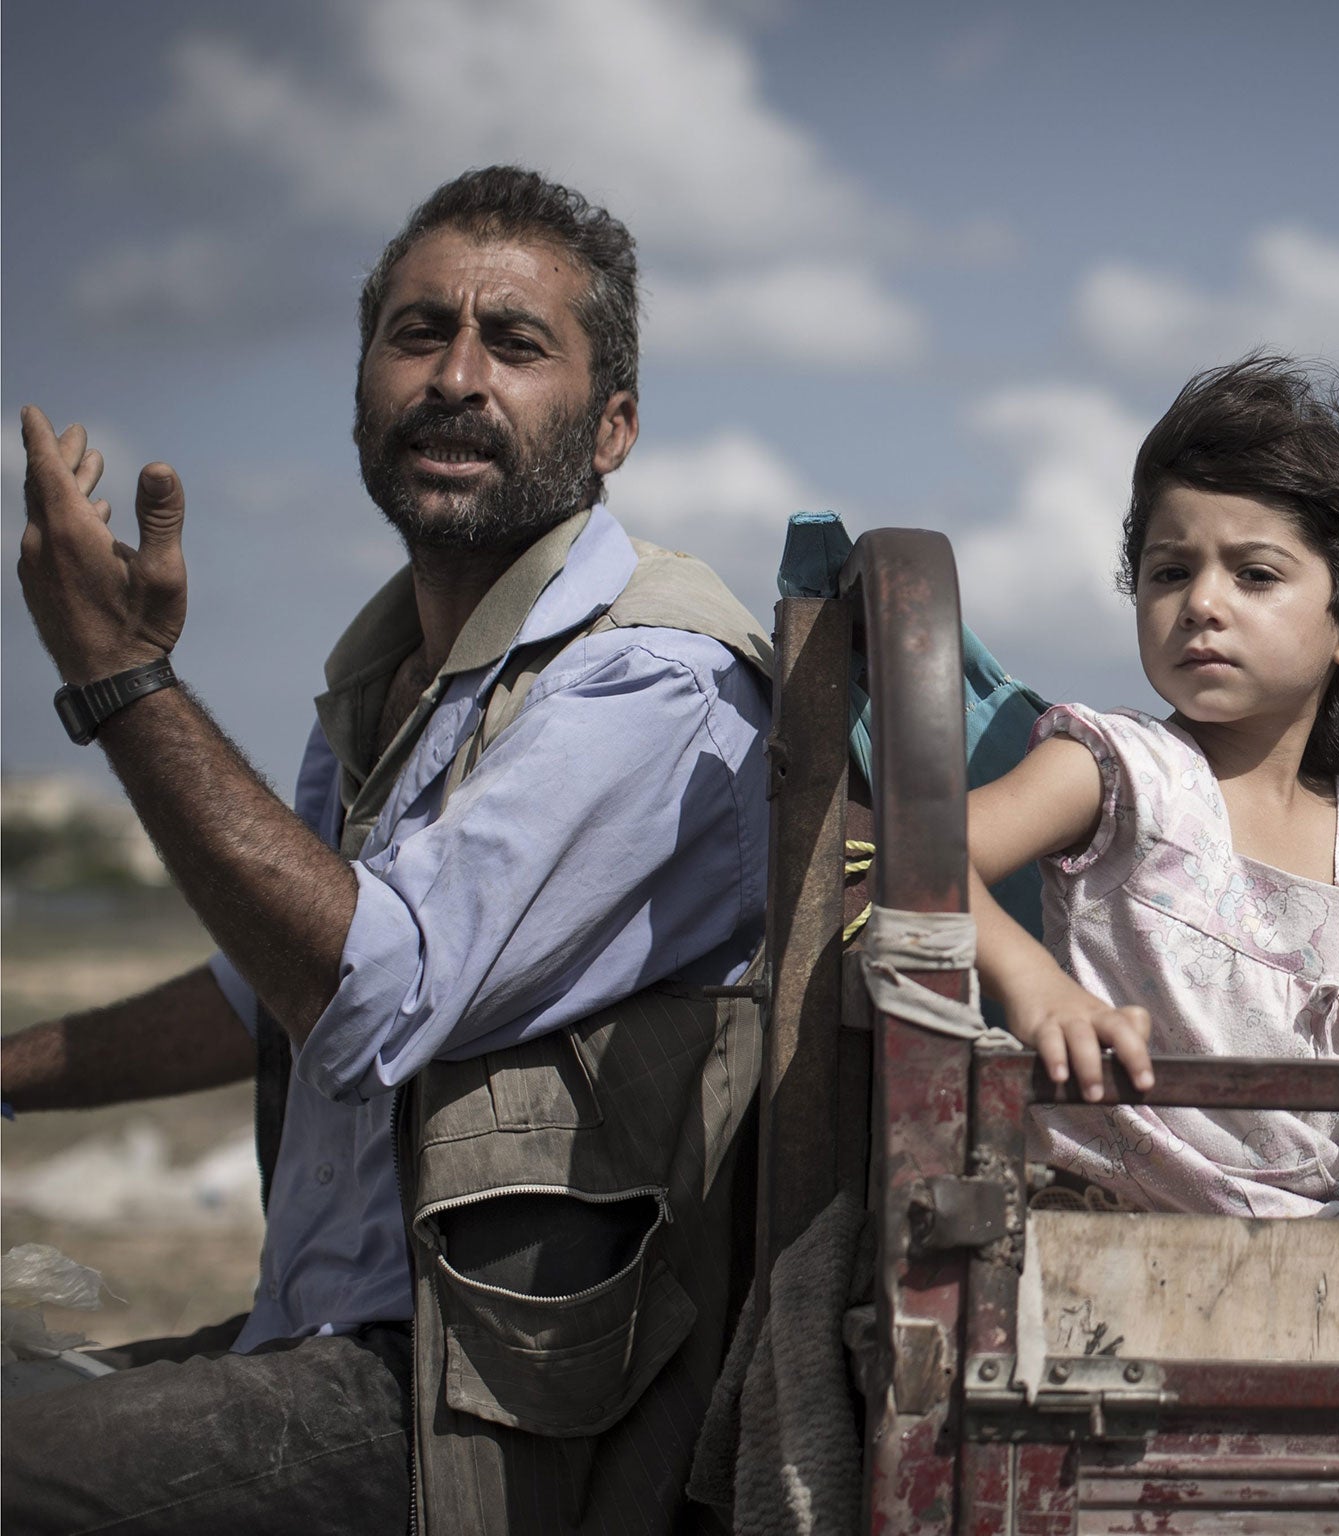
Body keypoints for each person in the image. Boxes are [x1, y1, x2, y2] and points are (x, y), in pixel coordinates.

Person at [3, 167, 772, 1533]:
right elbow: (267, 987)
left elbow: (365, 996)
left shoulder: (652, 685)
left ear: (613, 429)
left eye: (516, 344)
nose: (457, 376)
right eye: (419, 334)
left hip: (468, 1405)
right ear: (364, 387)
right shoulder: (393, 687)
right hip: (328, 1345)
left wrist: (124, 685)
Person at [964, 356, 1339, 1220]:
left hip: (1297, 1217)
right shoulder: (1118, 767)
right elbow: (924, 848)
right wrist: (1034, 987)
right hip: (1103, 1205)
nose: (1202, 601)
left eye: (1255, 575)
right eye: (1170, 571)